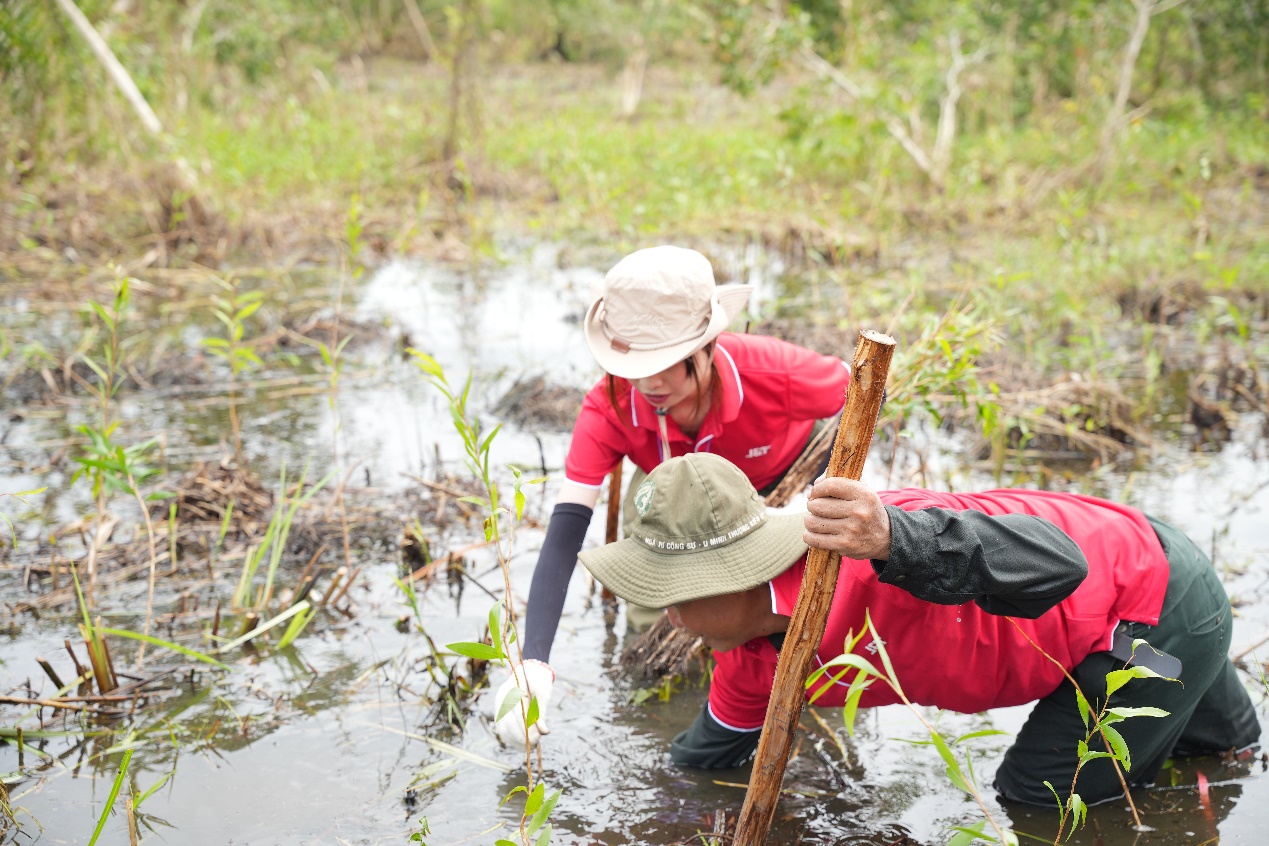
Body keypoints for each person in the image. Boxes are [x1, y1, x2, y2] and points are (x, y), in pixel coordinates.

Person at [575, 452, 1261, 805]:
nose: (666, 615)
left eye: (674, 594)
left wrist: (896, 540)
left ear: (732, 577)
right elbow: (703, 761)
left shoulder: (872, 541)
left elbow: (1060, 562)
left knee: (1037, 800)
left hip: (1145, 607)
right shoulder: (753, 663)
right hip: (1128, 570)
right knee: (1227, 760)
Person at [491, 246, 851, 746]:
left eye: (671, 362)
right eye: (635, 363)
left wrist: (809, 499)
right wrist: (534, 663)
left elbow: (860, 401)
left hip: (776, 489)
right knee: (657, 628)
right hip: (676, 500)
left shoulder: (773, 373)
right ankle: (665, 715)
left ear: (707, 345)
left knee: (788, 626)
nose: (652, 382)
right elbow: (565, 535)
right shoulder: (610, 406)